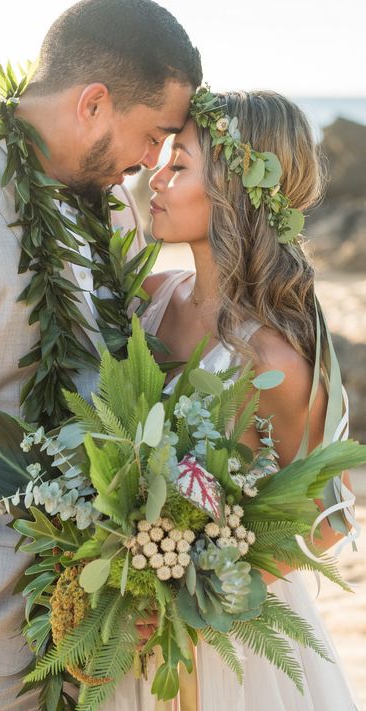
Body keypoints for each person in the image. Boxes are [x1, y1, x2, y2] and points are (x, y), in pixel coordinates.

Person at [0, 2, 202, 709]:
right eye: (153, 135)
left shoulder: (107, 204)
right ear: (93, 103)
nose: (152, 163)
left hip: (106, 624)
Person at [123, 91, 358, 709]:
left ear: (233, 187)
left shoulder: (272, 359)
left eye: (179, 166)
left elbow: (329, 516)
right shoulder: (148, 296)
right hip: (125, 633)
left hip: (231, 652)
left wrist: (195, 596)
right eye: (161, 160)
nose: (157, 176)